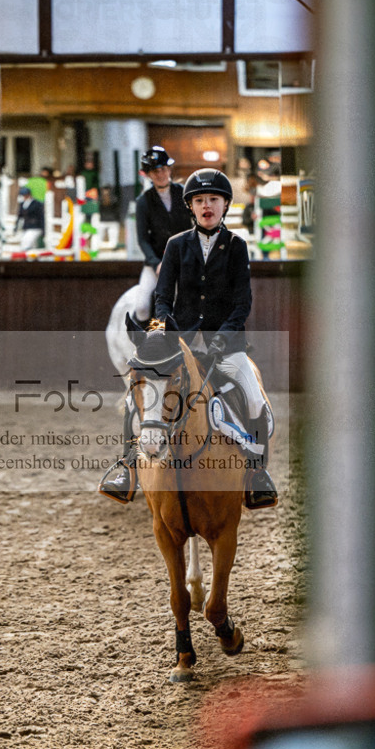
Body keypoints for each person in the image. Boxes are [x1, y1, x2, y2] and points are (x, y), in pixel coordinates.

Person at [99, 168, 277, 510]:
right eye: (199, 200)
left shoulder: (237, 246)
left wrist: (223, 337)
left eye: (213, 199)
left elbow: (242, 303)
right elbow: (163, 297)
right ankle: (127, 469)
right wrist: (161, 329)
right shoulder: (176, 245)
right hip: (180, 344)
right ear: (191, 207)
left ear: (225, 204)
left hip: (227, 345)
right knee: (138, 396)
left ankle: (257, 474)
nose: (206, 205)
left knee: (255, 401)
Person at [133, 146, 192, 324]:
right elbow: (142, 239)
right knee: (142, 306)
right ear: (149, 175)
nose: (161, 174)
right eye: (155, 171)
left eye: (164, 169)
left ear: (169, 169)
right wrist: (156, 263)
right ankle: (144, 338)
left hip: (184, 260)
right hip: (156, 263)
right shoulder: (143, 202)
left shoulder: (185, 194)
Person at [14, 186, 44, 250]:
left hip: (35, 227)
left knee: (26, 243)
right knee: (32, 246)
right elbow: (19, 216)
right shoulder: (22, 204)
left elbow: (41, 217)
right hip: (26, 227)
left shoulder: (37, 204)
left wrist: (43, 229)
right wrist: (16, 227)